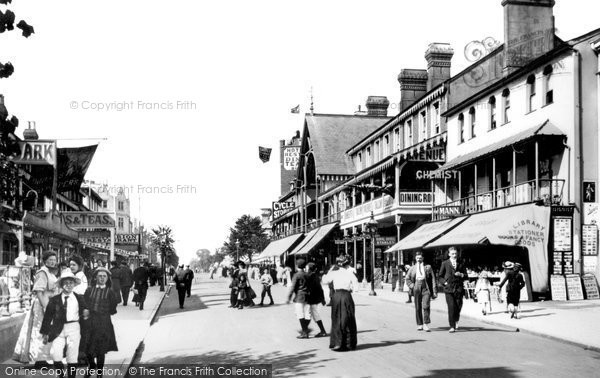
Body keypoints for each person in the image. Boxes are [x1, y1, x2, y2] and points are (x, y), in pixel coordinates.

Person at [13, 251, 59, 366]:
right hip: (42, 304)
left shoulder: (50, 272)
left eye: (54, 260)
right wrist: (46, 307)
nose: (53, 262)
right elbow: (39, 291)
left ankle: (42, 358)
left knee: (46, 329)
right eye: (50, 260)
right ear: (45, 260)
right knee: (40, 330)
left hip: (49, 303)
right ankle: (38, 359)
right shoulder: (43, 272)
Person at [40, 271, 89, 378]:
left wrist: (86, 314)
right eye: (65, 282)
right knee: (56, 355)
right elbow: (48, 316)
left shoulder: (79, 298)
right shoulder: (54, 300)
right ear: (62, 284)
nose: (68, 285)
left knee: (72, 356)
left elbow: (85, 311)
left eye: (71, 282)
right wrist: (45, 333)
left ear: (74, 284)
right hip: (58, 329)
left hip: (74, 328)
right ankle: (60, 374)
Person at [83, 267, 119, 376]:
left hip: (104, 323)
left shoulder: (110, 292)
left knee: (101, 350)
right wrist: (86, 311)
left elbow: (113, 308)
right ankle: (92, 365)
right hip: (90, 323)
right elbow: (84, 303)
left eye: (104, 276)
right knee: (87, 348)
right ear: (95, 277)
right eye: (100, 276)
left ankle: (99, 373)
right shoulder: (89, 290)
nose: (102, 278)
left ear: (108, 279)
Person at [322, 255, 359, 351]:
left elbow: (325, 281)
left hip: (337, 296)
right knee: (349, 318)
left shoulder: (334, 273)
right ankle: (350, 344)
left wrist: (329, 271)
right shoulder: (350, 274)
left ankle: (337, 343)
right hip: (347, 296)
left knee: (337, 319)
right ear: (347, 264)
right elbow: (356, 287)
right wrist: (351, 288)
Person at [405, 251, 437, 332]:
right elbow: (407, 278)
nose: (419, 259)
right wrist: (412, 286)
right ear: (415, 259)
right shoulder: (412, 268)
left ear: (423, 258)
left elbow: (433, 279)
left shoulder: (428, 267)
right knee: (418, 307)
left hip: (425, 287)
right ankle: (420, 324)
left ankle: (426, 324)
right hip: (416, 287)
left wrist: (434, 291)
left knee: (426, 306)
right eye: (417, 258)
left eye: (420, 258)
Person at [438, 247, 468, 333]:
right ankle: (452, 326)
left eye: (456, 254)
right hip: (449, 288)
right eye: (453, 254)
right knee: (451, 307)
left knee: (458, 306)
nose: (455, 255)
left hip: (458, 288)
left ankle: (456, 319)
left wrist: (461, 274)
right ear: (449, 254)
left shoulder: (461, 263)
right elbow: (440, 276)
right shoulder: (445, 263)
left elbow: (466, 276)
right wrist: (445, 283)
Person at [287, 259, 311, 338]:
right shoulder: (308, 274)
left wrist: (289, 297)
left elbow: (293, 287)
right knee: (307, 314)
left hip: (299, 296)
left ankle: (304, 332)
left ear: (297, 265)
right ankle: (305, 329)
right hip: (308, 296)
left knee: (300, 314)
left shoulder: (296, 275)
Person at [306, 262, 328, 338]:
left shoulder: (311, 276)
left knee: (310, 315)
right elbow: (320, 289)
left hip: (312, 299)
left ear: (309, 269)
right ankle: (306, 330)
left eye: (307, 268)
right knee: (312, 314)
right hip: (314, 299)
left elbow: (316, 289)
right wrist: (322, 299)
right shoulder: (315, 276)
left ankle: (305, 331)